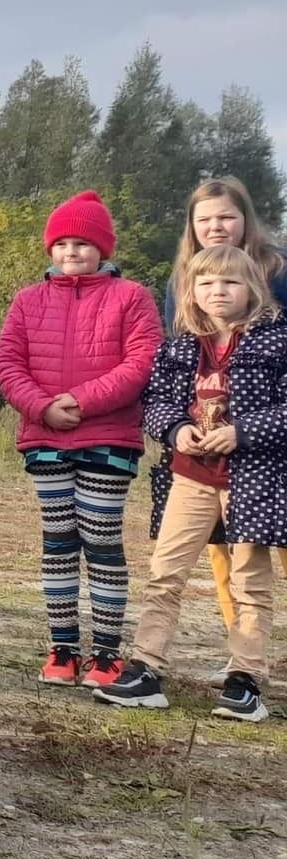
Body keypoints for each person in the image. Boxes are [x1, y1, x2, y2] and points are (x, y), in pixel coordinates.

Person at [95, 245, 287, 722]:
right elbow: (157, 401)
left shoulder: (276, 341)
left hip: (253, 477)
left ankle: (245, 679)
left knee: (249, 582)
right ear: (190, 292)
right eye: (206, 283)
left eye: (230, 283)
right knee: (165, 574)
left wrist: (241, 432)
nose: (218, 292)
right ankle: (146, 668)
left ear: (254, 289)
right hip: (189, 476)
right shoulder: (180, 344)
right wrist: (178, 430)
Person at [0, 191, 160, 687]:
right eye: (62, 242)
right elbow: (7, 365)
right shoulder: (27, 301)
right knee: (59, 542)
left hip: (108, 437)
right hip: (46, 440)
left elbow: (141, 363)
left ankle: (106, 653)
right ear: (50, 248)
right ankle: (62, 647)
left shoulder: (132, 298)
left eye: (82, 243)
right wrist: (42, 406)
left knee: (102, 537)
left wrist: (82, 402)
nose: (71, 251)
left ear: (102, 249)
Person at [161, 176, 287, 676]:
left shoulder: (277, 271)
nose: (216, 227)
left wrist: (254, 424)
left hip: (269, 441)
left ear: (245, 220)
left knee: (273, 553)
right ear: (193, 226)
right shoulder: (181, 281)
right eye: (205, 219)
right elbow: (180, 349)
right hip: (209, 452)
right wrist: (177, 426)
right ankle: (245, 659)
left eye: (227, 217)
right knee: (225, 553)